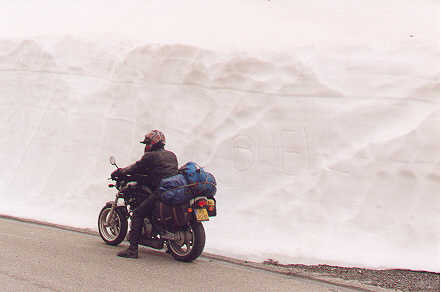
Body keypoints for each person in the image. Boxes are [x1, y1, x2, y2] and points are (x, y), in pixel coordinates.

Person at [111, 130, 178, 258]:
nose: (146, 146)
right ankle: (170, 245)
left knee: (137, 213)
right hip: (173, 189)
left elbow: (136, 167)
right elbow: (162, 172)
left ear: (152, 144)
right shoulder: (171, 155)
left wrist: (120, 172)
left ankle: (132, 250)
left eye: (146, 143)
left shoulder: (150, 156)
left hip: (160, 191)